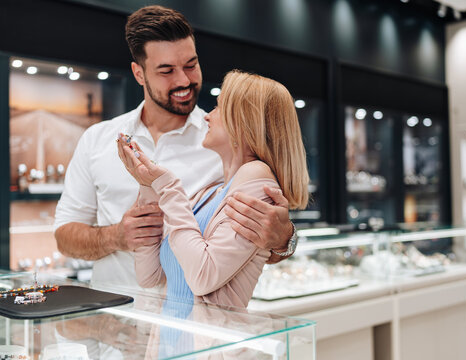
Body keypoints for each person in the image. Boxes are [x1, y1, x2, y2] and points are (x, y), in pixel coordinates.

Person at [54, 5, 297, 289]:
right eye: (166, 70)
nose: (184, 80)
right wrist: (116, 236)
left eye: (191, 65)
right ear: (139, 73)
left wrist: (284, 239)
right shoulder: (98, 138)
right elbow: (64, 236)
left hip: (194, 325)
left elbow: (258, 248)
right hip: (114, 320)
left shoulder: (225, 143)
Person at [117, 69, 309, 309]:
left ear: (243, 121)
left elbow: (203, 277)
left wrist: (166, 186)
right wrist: (147, 185)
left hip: (211, 345)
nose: (208, 116)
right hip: (169, 344)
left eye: (218, 108)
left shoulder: (255, 177)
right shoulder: (209, 193)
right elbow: (150, 277)